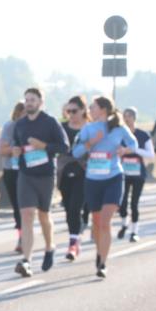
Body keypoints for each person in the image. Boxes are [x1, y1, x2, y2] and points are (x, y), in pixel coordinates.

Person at [72, 96, 137, 278]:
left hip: (114, 177)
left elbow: (134, 144)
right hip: (93, 180)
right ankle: (99, 253)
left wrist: (125, 150)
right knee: (97, 222)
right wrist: (92, 142)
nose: (89, 110)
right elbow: (75, 152)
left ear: (102, 109)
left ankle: (102, 263)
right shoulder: (88, 128)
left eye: (92, 107)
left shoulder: (118, 128)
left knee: (106, 221)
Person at [11, 87, 68, 277]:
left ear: (41, 103)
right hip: (26, 174)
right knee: (27, 214)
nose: (29, 103)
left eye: (33, 100)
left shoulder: (50, 122)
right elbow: (16, 145)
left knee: (44, 215)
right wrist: (16, 150)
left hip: (45, 175)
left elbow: (64, 146)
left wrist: (43, 146)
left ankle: (50, 247)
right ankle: (26, 261)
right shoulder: (20, 125)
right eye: (26, 100)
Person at [117, 108, 155, 242]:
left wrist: (134, 150)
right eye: (124, 116)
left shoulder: (143, 135)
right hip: (123, 172)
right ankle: (124, 224)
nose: (126, 119)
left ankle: (134, 232)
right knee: (122, 202)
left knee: (134, 203)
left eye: (128, 116)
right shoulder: (119, 134)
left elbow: (151, 154)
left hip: (138, 173)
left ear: (134, 118)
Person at [59, 96, 90, 261]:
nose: (71, 114)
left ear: (84, 110)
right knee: (68, 208)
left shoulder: (90, 128)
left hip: (85, 171)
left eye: (74, 111)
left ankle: (73, 243)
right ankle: (76, 236)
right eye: (68, 111)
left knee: (75, 207)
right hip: (64, 172)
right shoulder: (61, 127)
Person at [0, 101, 25, 253]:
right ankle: (22, 237)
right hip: (11, 169)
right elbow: (1, 150)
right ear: (17, 114)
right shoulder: (10, 127)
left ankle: (25, 236)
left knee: (27, 206)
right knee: (17, 206)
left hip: (29, 170)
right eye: (24, 115)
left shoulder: (36, 127)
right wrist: (15, 150)